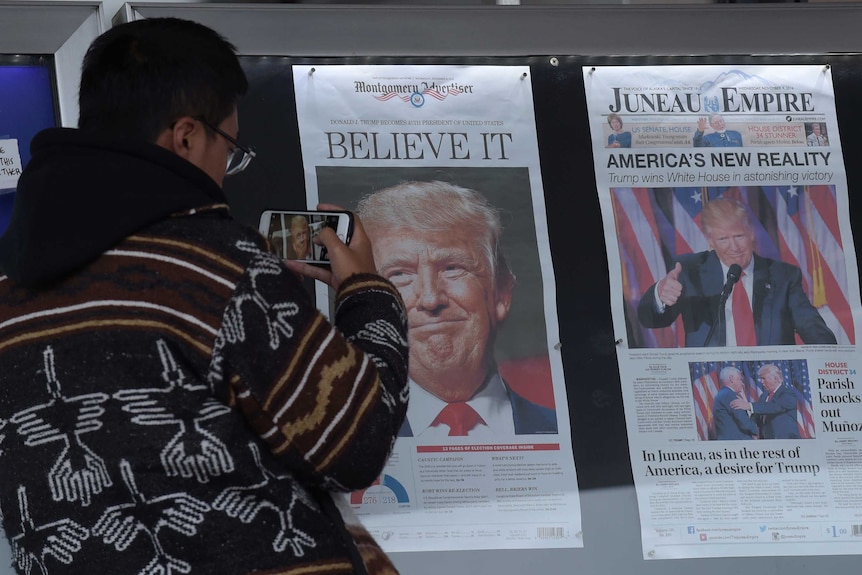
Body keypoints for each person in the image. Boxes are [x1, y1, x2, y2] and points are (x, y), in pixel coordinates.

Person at [0, 18, 408, 575]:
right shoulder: (216, 267)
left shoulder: (9, 285)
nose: (226, 169)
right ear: (187, 136)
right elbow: (357, 442)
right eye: (230, 148)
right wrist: (366, 292)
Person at [357, 180, 557, 438]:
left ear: (502, 293)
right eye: (399, 274)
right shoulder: (341, 443)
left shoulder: (563, 431)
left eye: (452, 268)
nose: (430, 299)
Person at [637, 197, 836, 347]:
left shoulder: (783, 276)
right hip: (710, 383)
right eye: (723, 239)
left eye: (739, 235)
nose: (734, 247)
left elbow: (814, 330)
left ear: (751, 233)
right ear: (710, 240)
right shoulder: (690, 271)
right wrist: (660, 294)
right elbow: (650, 319)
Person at [731, 364, 801, 439]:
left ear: (775, 379)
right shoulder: (763, 396)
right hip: (766, 440)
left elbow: (773, 407)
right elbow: (756, 417)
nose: (761, 381)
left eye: (763, 378)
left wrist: (749, 406)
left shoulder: (788, 394)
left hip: (785, 440)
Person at [712, 366, 758, 440]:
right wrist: (755, 430)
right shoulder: (729, 395)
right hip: (737, 442)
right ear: (731, 379)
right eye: (740, 380)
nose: (742, 383)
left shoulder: (721, 394)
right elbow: (743, 421)